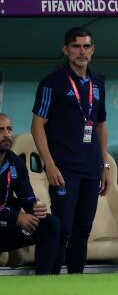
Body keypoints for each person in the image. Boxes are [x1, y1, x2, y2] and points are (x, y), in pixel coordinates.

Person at [30, 27, 109, 274]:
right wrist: (49, 164)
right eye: (76, 46)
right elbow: (37, 126)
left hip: (91, 167)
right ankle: (51, 281)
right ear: (66, 50)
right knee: (63, 227)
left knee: (83, 229)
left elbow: (100, 125)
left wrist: (105, 165)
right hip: (63, 169)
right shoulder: (51, 83)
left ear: (93, 50)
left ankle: (77, 281)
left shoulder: (98, 83)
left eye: (86, 46)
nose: (81, 52)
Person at [0, 112, 61, 275]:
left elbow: (26, 195)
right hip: (6, 219)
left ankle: (44, 282)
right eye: (1, 130)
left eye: (9, 129)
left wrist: (35, 206)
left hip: (5, 226)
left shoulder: (15, 163)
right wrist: (16, 218)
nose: (7, 134)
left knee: (51, 224)